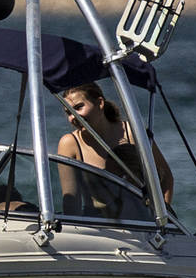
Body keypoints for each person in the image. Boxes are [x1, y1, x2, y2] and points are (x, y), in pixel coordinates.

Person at [56, 82, 173, 215]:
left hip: (139, 221)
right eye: (68, 112)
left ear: (100, 103)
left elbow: (165, 177)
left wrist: (162, 216)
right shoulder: (70, 143)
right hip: (96, 222)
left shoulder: (133, 132)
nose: (73, 117)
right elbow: (71, 201)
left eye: (78, 107)